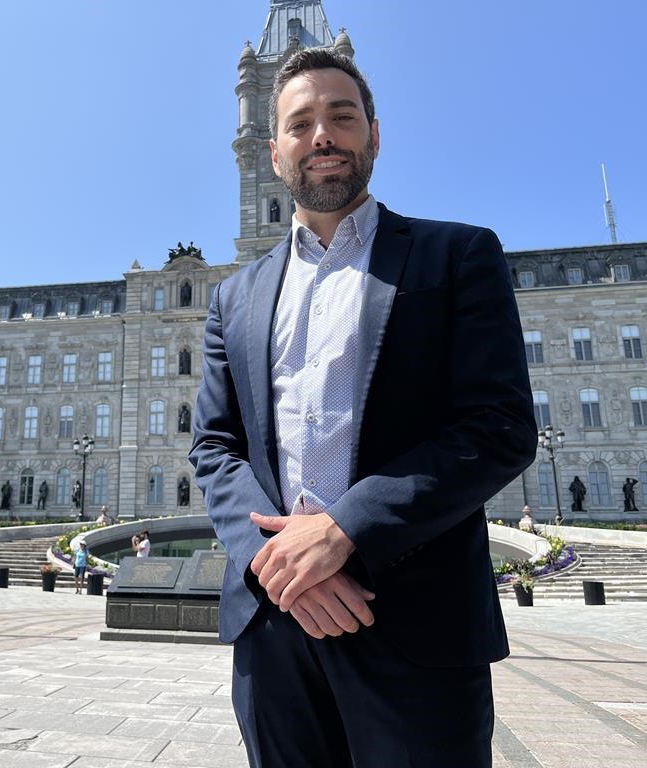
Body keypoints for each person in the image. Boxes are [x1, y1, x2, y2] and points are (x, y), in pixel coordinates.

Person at [189, 48, 536, 768]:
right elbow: (214, 448)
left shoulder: (457, 256)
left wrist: (345, 530)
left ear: (373, 135)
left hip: (412, 621)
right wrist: (274, 560)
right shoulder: (234, 297)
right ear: (272, 149)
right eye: (301, 122)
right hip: (274, 627)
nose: (323, 135)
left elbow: (498, 429)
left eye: (341, 117)